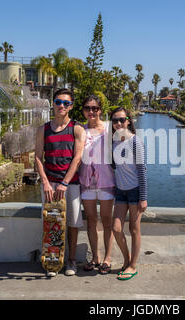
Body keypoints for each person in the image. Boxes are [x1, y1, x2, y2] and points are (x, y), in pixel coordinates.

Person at [34, 88, 85, 277]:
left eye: (66, 103)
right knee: (51, 222)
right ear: (53, 103)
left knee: (71, 223)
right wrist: (46, 183)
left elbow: (77, 158)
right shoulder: (43, 129)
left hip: (70, 184)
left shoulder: (77, 129)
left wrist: (64, 183)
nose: (61, 106)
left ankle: (71, 260)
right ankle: (53, 260)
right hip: (50, 184)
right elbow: (38, 158)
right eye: (58, 102)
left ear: (71, 106)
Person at [79, 95, 116, 275]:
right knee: (92, 221)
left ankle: (107, 258)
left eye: (95, 108)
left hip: (107, 181)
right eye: (87, 108)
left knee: (107, 221)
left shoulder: (110, 129)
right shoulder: (80, 130)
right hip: (86, 183)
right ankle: (95, 257)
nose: (91, 111)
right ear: (83, 110)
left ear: (100, 110)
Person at [110, 107, 147, 281]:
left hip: (134, 191)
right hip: (120, 191)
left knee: (134, 229)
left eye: (121, 120)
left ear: (128, 121)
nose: (118, 123)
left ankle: (133, 265)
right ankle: (126, 260)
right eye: (115, 120)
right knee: (116, 228)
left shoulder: (135, 142)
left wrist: (143, 197)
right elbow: (114, 166)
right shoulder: (114, 141)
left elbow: (142, 170)